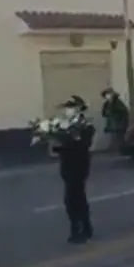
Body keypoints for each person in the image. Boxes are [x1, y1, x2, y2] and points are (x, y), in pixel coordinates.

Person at [54, 95, 96, 244]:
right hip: (67, 165)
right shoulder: (62, 125)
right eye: (66, 108)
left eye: (70, 107)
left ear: (78, 109)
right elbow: (58, 146)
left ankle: (79, 228)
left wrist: (69, 140)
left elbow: (83, 144)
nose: (67, 111)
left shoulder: (85, 125)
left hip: (79, 165)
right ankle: (84, 225)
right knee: (71, 199)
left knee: (75, 197)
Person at [100, 88, 130, 152]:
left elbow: (124, 113)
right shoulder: (107, 104)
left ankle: (122, 151)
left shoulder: (118, 103)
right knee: (113, 138)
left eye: (108, 94)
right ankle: (116, 150)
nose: (107, 96)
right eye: (106, 95)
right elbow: (104, 113)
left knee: (119, 138)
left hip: (119, 124)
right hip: (112, 124)